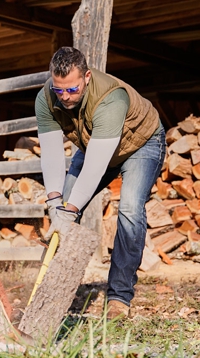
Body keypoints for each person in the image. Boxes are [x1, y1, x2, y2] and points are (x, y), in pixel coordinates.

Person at [35, 46, 166, 320]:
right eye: (59, 90)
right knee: (65, 202)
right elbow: (51, 154)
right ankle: (52, 294)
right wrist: (54, 201)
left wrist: (69, 211)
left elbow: (95, 166)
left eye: (72, 90)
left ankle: (119, 297)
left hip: (141, 145)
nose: (65, 97)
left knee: (129, 208)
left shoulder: (110, 99)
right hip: (96, 142)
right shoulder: (45, 99)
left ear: (87, 77)